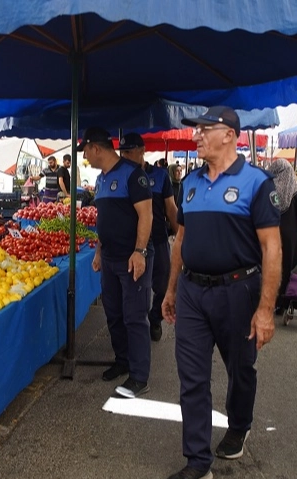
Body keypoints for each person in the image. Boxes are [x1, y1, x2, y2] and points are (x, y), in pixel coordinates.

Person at [162, 106, 281, 479]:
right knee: (192, 378)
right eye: (195, 130)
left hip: (238, 291)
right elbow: (180, 239)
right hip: (193, 292)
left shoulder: (256, 182)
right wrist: (170, 289)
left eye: (204, 129)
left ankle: (238, 426)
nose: (196, 136)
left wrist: (265, 309)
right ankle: (198, 461)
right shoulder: (190, 183)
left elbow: (272, 248)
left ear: (229, 134)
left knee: (241, 370)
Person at [79, 127, 154, 399]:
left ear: (96, 148)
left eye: (86, 151)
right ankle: (122, 360)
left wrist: (140, 251)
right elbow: (105, 221)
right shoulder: (100, 180)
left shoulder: (134, 175)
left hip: (131, 258)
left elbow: (146, 215)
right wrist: (99, 251)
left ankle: (139, 376)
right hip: (109, 258)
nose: (85, 157)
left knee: (135, 317)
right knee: (113, 314)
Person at [119, 133, 179, 342]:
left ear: (141, 151)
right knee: (134, 289)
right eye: (122, 152)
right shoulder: (122, 175)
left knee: (163, 286)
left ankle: (155, 318)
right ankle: (134, 329)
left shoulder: (161, 176)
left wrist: (180, 235)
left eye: (128, 151)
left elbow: (171, 209)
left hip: (159, 239)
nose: (124, 156)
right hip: (132, 243)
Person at [267, 158, 297, 312]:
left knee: (270, 266)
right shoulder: (294, 190)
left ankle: (269, 300)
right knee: (286, 268)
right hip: (290, 237)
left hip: (271, 233)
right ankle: (282, 303)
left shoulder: (268, 189)